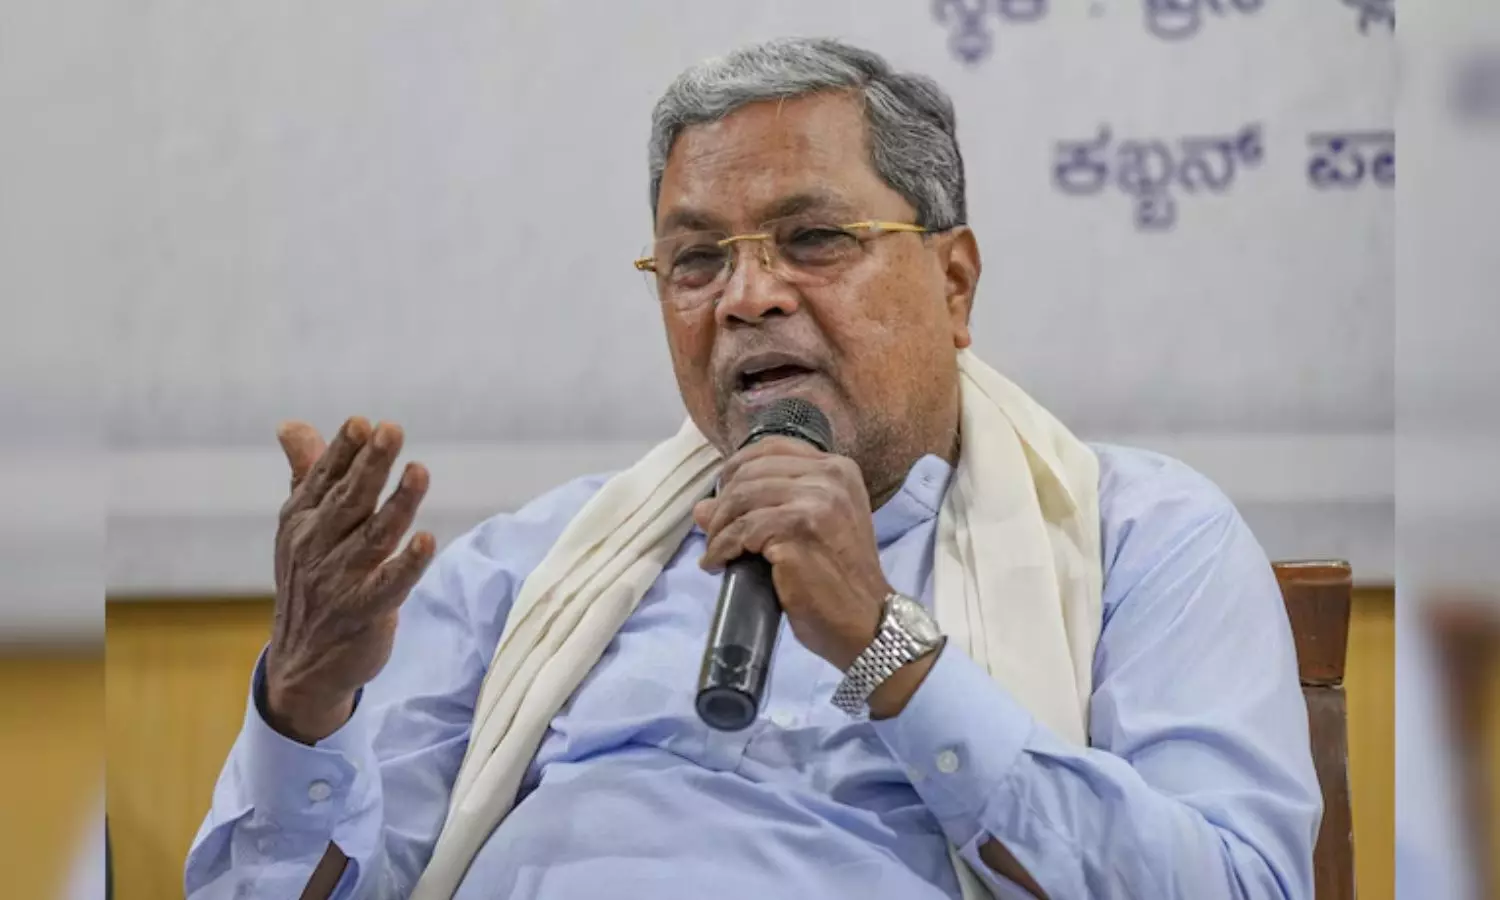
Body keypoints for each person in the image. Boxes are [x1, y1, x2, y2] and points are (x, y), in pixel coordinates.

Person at [185, 37, 1321, 900]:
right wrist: (306, 703)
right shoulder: (531, 570)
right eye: (695, 260)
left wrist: (887, 649)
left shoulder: (1142, 536)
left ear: (954, 284)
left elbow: (1238, 885)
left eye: (814, 240)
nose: (748, 297)